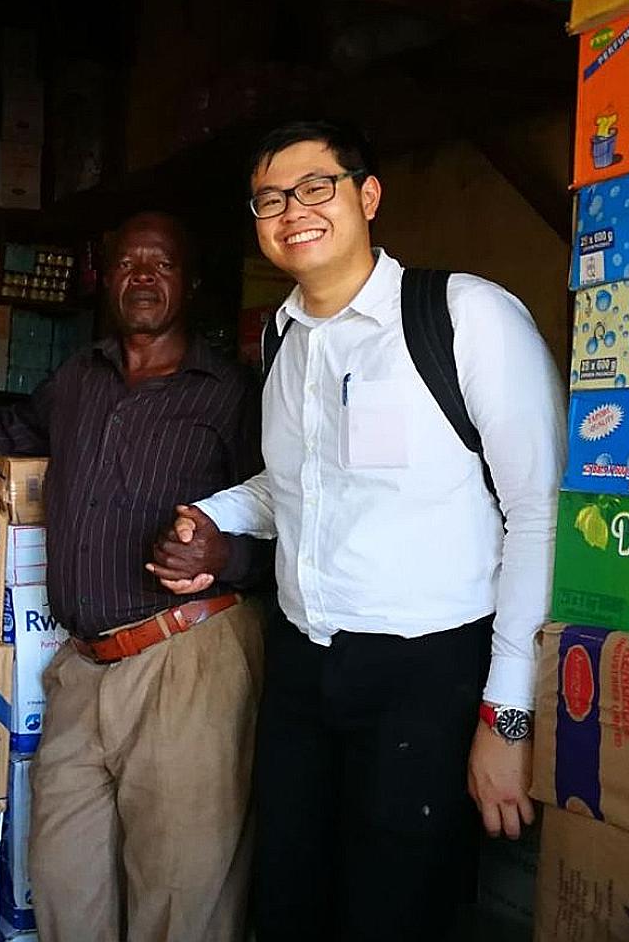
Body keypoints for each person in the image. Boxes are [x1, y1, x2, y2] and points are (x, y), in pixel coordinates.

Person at [154, 120, 564, 942]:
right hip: (303, 667)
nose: (292, 211)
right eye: (270, 198)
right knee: (290, 898)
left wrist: (506, 715)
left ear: (367, 196)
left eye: (316, 187)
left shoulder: (463, 317)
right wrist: (213, 516)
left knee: (396, 913)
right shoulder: (281, 338)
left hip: (429, 675)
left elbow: (538, 511)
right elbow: (293, 485)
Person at [0, 212, 266, 942]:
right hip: (82, 667)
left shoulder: (229, 393)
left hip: (186, 660)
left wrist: (226, 557)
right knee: (66, 880)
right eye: (129, 264)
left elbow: (287, 520)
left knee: (179, 891)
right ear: (106, 279)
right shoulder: (80, 376)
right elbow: (11, 431)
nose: (144, 278)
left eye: (161, 265)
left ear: (189, 284)